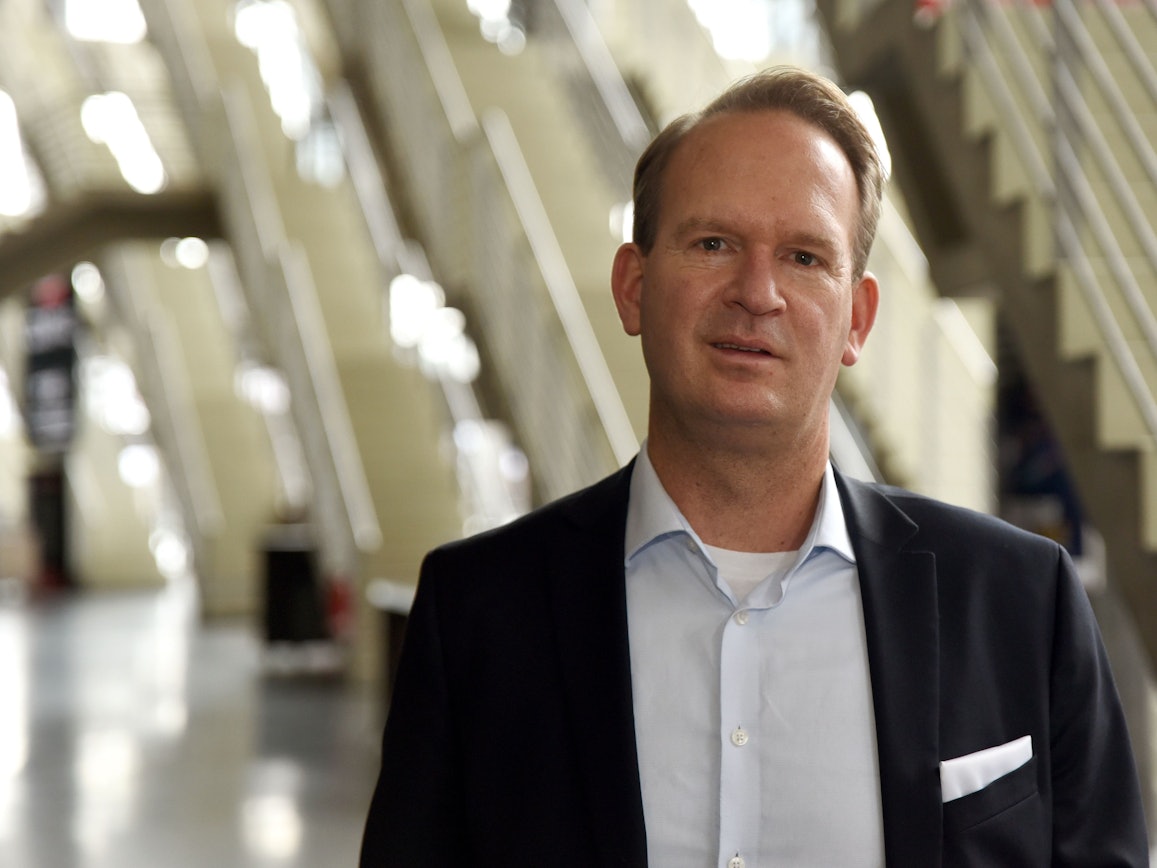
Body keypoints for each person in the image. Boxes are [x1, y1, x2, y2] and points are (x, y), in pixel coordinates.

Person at [360, 66, 1148, 867]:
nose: (756, 292)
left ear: (857, 319)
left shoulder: (1021, 606)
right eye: (713, 244)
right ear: (632, 288)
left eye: (805, 257)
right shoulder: (476, 615)